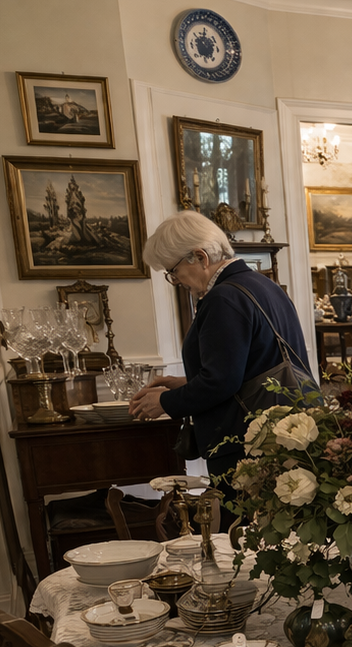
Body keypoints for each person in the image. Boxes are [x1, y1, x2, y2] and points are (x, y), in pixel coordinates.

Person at [128, 211, 312, 499]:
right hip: (280, 433)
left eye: (173, 271)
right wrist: (187, 384)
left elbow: (221, 382)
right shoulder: (264, 285)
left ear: (200, 257)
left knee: (239, 537)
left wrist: (165, 402)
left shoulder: (223, 297)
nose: (176, 281)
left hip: (246, 445)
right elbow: (252, 364)